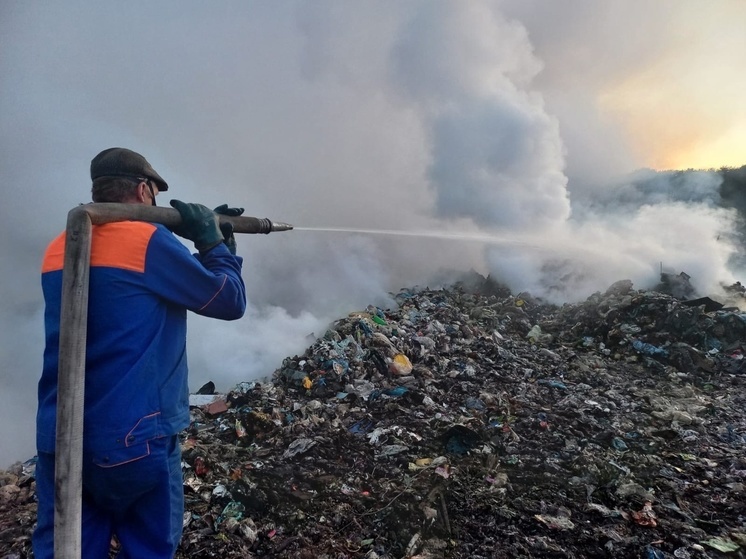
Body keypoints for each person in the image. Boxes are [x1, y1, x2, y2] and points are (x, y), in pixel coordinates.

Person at [33, 147, 247, 558]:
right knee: (149, 547)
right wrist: (216, 246)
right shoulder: (148, 241)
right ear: (145, 191)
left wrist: (215, 243)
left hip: (60, 435)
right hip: (133, 438)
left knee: (68, 548)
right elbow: (228, 301)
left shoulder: (60, 245)